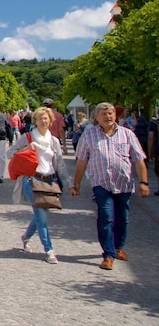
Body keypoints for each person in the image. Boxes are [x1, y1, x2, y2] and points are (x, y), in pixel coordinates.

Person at [71, 102, 150, 270]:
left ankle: (118, 246)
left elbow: (139, 159)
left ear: (116, 116)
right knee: (106, 217)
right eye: (104, 114)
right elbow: (82, 161)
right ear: (97, 117)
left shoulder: (128, 134)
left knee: (123, 218)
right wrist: (76, 184)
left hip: (124, 184)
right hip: (101, 184)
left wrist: (143, 182)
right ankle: (108, 254)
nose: (108, 117)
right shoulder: (89, 135)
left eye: (111, 113)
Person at [7, 107, 70, 264]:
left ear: (50, 121)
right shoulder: (27, 137)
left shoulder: (53, 141)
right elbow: (9, 153)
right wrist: (26, 148)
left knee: (40, 214)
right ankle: (49, 250)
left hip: (49, 181)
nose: (43, 121)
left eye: (46, 118)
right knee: (41, 216)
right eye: (40, 118)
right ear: (35, 121)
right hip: (31, 180)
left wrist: (69, 185)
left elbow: (60, 165)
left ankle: (26, 236)